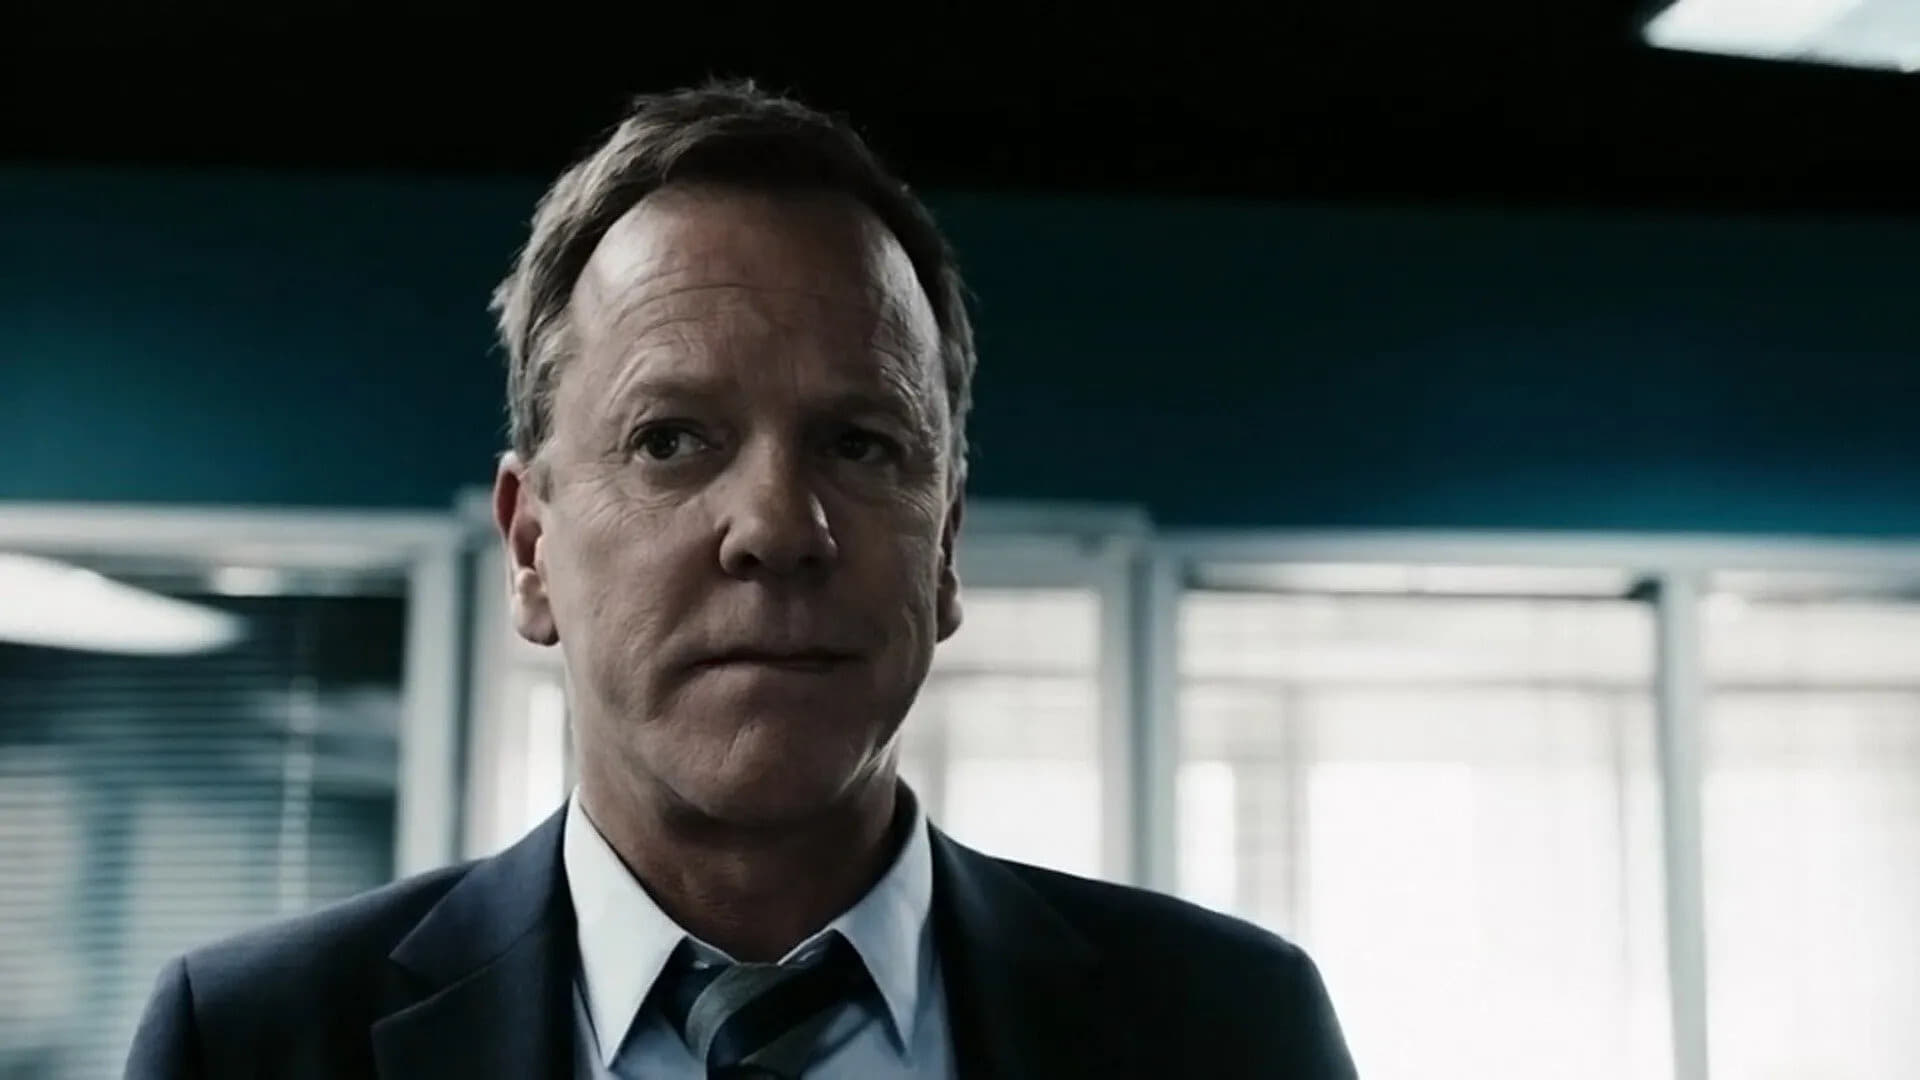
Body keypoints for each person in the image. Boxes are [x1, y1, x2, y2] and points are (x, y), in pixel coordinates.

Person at [124, 80, 1356, 1079]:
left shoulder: (1231, 1029)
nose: (777, 527)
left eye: (859, 444)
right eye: (670, 440)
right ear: (531, 547)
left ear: (944, 548)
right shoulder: (248, 1045)